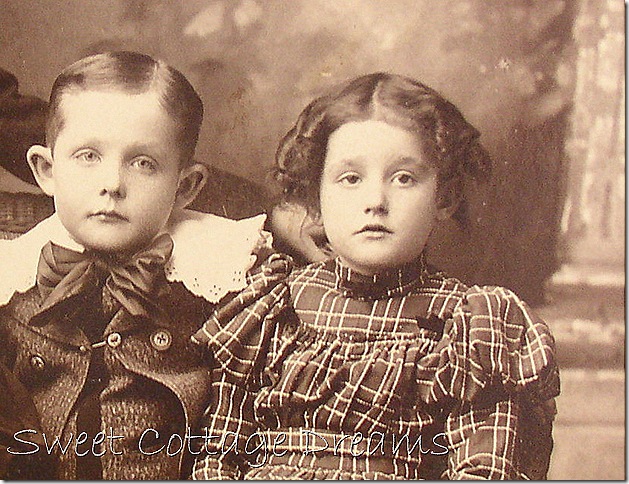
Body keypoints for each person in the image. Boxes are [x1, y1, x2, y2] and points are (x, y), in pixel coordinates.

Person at [191, 72, 560, 480]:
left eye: (404, 178)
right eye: (350, 179)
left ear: (445, 197)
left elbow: (485, 469)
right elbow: (218, 451)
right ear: (316, 198)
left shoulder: (468, 326)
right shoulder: (273, 307)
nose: (375, 201)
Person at [0, 51, 269, 479]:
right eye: (88, 156)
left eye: (143, 163)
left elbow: (246, 414)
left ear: (185, 188)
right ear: (46, 170)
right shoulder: (11, 279)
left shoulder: (221, 278)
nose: (112, 184)